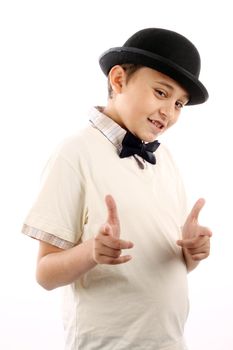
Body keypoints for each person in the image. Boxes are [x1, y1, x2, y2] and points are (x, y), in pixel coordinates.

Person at [22, 28, 212, 350]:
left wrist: (190, 253)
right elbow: (45, 273)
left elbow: (169, 262)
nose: (169, 112)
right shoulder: (76, 153)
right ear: (119, 80)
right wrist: (91, 252)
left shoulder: (164, 160)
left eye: (180, 104)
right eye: (162, 93)